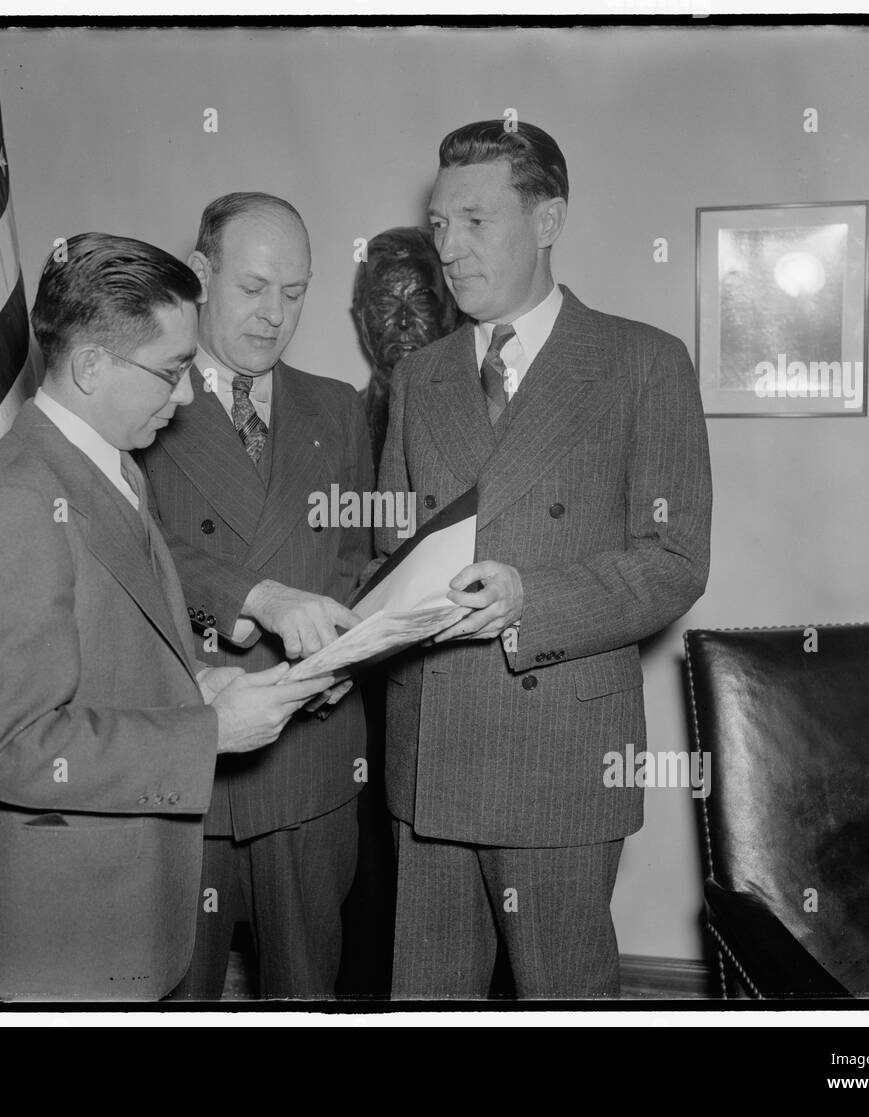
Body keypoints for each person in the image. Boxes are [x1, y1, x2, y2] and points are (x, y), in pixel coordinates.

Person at [0, 232, 333, 1001]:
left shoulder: (107, 461)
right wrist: (211, 732)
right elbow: (16, 748)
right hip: (63, 934)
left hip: (119, 897)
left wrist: (201, 681)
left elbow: (116, 644)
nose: (186, 396)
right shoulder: (19, 502)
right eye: (173, 370)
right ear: (90, 367)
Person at [375, 121, 713, 998]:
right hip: (433, 752)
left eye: (477, 222)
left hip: (561, 749)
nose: (448, 248)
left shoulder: (644, 363)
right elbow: (390, 546)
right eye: (441, 224)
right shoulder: (419, 375)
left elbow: (674, 558)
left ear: (550, 218)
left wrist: (532, 599)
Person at [142, 192, 373, 999]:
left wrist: (348, 650)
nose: (275, 315)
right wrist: (256, 597)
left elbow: (357, 557)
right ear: (201, 276)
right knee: (178, 992)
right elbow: (138, 559)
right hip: (190, 758)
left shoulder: (339, 407)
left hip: (310, 759)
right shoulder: (147, 400)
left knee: (308, 988)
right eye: (253, 288)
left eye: (295, 291)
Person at [351, 225, 464, 469]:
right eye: (384, 303)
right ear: (359, 315)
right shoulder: (333, 426)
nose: (403, 320)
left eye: (421, 301)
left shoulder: (480, 423)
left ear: (451, 311)